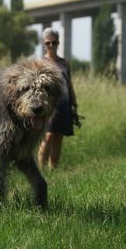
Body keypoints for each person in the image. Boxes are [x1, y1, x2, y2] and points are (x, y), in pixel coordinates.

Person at [37, 27, 79, 169]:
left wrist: (75, 104)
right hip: (48, 104)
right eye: (48, 43)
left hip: (64, 104)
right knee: (47, 136)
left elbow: (69, 84)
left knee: (58, 136)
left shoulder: (64, 63)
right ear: (44, 44)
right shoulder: (40, 63)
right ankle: (41, 169)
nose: (51, 45)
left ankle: (53, 169)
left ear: (58, 43)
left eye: (54, 42)